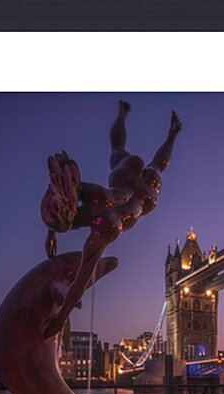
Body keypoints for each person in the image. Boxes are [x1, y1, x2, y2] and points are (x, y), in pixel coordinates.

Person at [39, 100, 182, 338]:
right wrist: (50, 229)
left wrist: (61, 318)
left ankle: (169, 130)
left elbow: (82, 279)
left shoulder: (105, 228)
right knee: (121, 151)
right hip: (124, 179)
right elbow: (62, 194)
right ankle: (163, 128)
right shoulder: (88, 194)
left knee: (151, 164)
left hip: (141, 193)